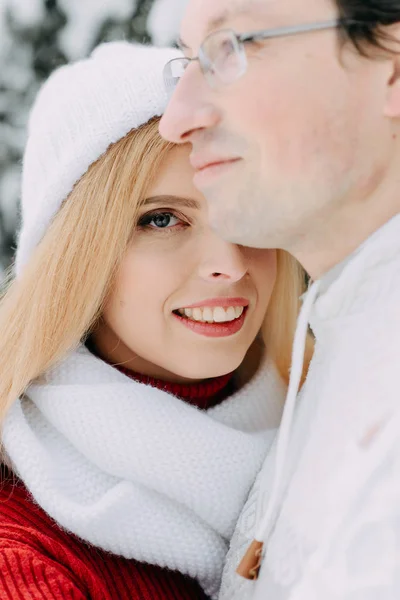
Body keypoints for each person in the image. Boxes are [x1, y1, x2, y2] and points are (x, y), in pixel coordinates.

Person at [0, 41, 311, 600]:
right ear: (77, 252)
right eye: (162, 219)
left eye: (247, 207)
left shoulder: (339, 416)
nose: (230, 264)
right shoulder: (22, 554)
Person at [159, 1, 400, 599]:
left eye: (232, 46)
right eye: (188, 62)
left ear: (392, 67)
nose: (176, 118)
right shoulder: (332, 353)